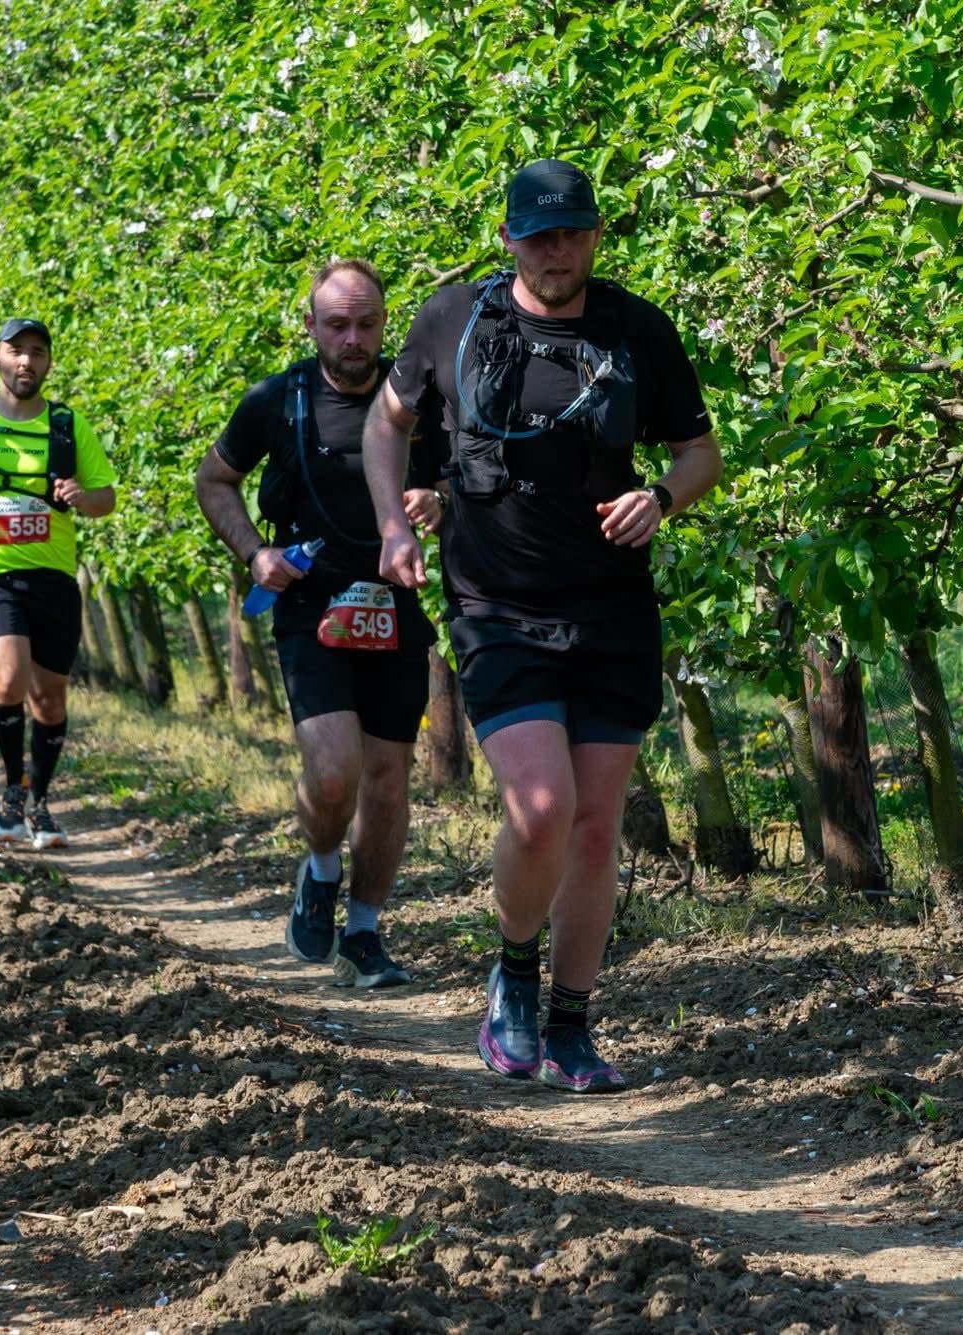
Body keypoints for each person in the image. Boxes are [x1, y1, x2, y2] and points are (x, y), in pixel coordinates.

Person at [362, 160, 723, 1092]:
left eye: (572, 233)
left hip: (612, 611)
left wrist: (661, 497)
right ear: (509, 238)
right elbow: (385, 422)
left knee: (597, 831)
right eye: (538, 234)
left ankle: (571, 1024)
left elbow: (699, 450)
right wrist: (395, 524)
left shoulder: (637, 329)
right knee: (541, 807)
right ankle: (512, 974)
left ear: (596, 236)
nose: (556, 250)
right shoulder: (453, 320)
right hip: (497, 608)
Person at [194, 259, 446, 988]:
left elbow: (462, 478)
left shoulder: (418, 397)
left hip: (394, 602)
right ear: (310, 326)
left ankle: (365, 932)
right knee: (333, 771)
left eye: (367, 322)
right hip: (311, 604)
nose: (354, 337)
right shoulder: (277, 399)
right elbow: (214, 480)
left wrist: (439, 501)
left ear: (385, 322)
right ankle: (321, 868)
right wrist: (255, 551)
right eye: (337, 323)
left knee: (390, 781)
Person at [0, 318, 117, 850]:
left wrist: (81, 496)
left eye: (37, 352)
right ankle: (12, 791)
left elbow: (106, 499)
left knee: (50, 699)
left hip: (54, 576)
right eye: (16, 351)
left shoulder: (68, 427)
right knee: (9, 679)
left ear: (49, 362)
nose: (26, 361)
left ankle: (41, 804)